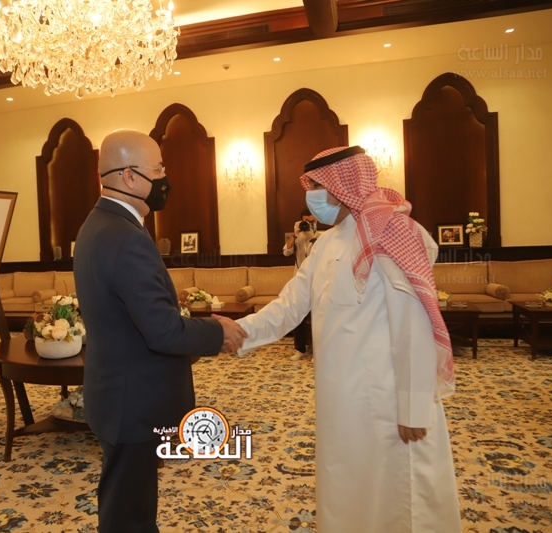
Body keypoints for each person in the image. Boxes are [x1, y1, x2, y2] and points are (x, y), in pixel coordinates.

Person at [236, 146, 461, 532]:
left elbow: (412, 325)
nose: (311, 195)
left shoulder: (392, 232)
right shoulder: (326, 243)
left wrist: (413, 407)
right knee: (347, 486)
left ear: (343, 186)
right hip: (340, 396)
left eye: (317, 185)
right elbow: (290, 305)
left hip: (387, 400)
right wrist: (238, 332)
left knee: (399, 496)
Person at [73, 129, 247, 533]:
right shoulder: (124, 237)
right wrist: (217, 331)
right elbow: (163, 332)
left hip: (115, 393)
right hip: (132, 402)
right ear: (129, 176)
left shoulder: (98, 224)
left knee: (123, 504)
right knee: (129, 517)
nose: (165, 178)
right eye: (158, 170)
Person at [282, 209, 320, 360]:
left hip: (316, 282)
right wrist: (295, 235)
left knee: (317, 318)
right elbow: (286, 252)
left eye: (311, 222)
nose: (308, 224)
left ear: (316, 221)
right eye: (305, 222)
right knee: (298, 316)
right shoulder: (298, 237)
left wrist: (312, 237)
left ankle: (317, 350)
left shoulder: (321, 237)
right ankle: (300, 349)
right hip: (299, 282)